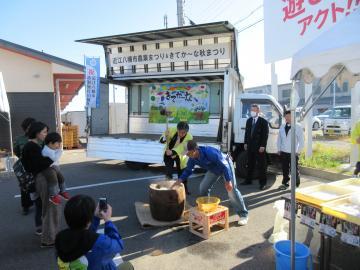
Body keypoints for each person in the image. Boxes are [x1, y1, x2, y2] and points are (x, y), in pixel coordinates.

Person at [173, 140, 249, 225]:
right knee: (203, 188)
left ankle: (243, 215)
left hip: (226, 166)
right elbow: (188, 170)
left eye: (188, 153)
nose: (187, 155)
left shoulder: (209, 152)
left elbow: (225, 165)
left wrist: (228, 181)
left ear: (194, 150)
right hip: (214, 169)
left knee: (232, 191)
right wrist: (180, 180)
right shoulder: (192, 158)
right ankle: (206, 212)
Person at [55, 195, 127, 270]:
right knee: (127, 266)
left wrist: (95, 218)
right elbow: (118, 244)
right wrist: (108, 221)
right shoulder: (98, 243)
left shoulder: (60, 239)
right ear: (89, 221)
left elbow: (83, 234)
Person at [22, 121, 61, 247]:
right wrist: (53, 157)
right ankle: (48, 240)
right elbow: (39, 165)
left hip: (42, 179)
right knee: (50, 208)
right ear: (37, 132)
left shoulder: (34, 145)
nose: (46, 134)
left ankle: (49, 235)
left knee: (48, 208)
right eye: (44, 132)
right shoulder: (31, 147)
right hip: (42, 180)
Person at [160, 121, 193, 194]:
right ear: (177, 129)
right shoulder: (171, 130)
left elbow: (182, 147)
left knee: (182, 173)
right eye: (179, 132)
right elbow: (161, 140)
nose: (181, 134)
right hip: (168, 153)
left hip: (180, 155)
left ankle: (184, 189)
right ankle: (169, 189)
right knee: (169, 172)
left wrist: (173, 152)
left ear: (187, 132)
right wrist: (165, 137)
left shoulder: (189, 137)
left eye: (183, 133)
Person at [241, 104, 269, 190]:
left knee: (261, 165)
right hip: (250, 146)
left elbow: (265, 135)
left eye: (254, 110)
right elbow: (247, 133)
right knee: (250, 164)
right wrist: (245, 143)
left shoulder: (263, 122)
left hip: (259, 147)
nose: (252, 112)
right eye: (251, 110)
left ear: (258, 111)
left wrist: (263, 146)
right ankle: (248, 180)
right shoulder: (249, 120)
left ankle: (263, 183)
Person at [277, 110, 304, 190]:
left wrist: (298, 151)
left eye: (288, 116)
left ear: (293, 117)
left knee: (294, 169)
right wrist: (279, 149)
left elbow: (301, 141)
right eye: (286, 116)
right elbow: (279, 139)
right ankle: (285, 183)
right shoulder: (282, 126)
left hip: (293, 152)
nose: (287, 118)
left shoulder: (298, 126)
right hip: (284, 151)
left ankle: (296, 184)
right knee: (285, 169)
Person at [13, 117, 36, 215]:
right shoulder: (19, 139)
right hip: (24, 166)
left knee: (39, 184)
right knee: (24, 186)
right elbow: (16, 151)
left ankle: (40, 202)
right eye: (31, 126)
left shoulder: (38, 137)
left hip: (36, 165)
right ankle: (26, 206)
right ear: (26, 128)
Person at [41, 132, 70, 205]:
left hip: (54, 168)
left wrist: (58, 150)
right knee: (53, 180)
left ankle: (63, 191)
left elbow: (55, 154)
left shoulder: (50, 148)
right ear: (51, 143)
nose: (59, 145)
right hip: (48, 169)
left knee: (61, 178)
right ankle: (53, 196)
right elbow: (54, 158)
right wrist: (60, 151)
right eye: (58, 143)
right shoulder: (47, 150)